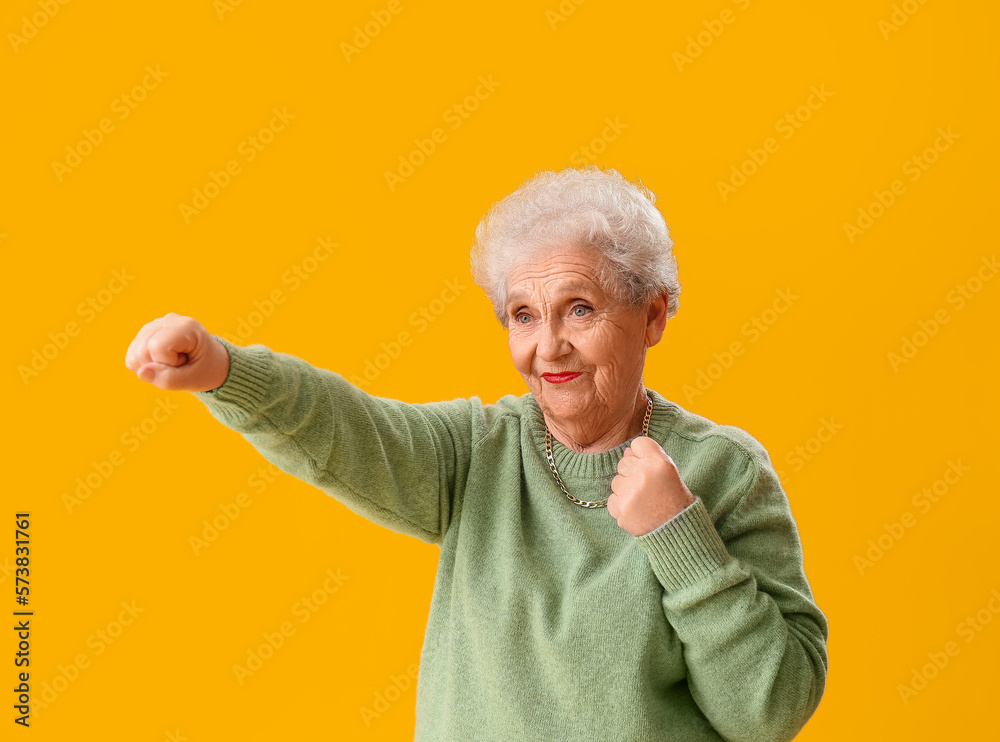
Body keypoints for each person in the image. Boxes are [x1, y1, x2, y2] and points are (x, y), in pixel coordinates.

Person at [124, 166, 828, 741]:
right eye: (524, 315)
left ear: (653, 316)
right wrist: (223, 368)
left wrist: (681, 539)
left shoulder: (725, 472)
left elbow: (767, 712)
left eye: (579, 308)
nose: (547, 346)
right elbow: (344, 427)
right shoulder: (476, 453)